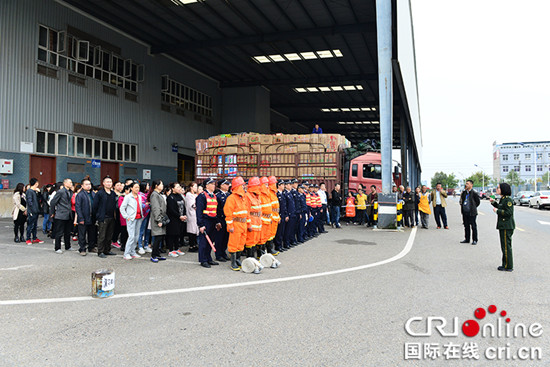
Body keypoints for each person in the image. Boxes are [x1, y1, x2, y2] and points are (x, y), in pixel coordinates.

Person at [224, 176, 248, 271]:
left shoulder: (243, 198)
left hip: (243, 223)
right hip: (236, 224)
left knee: (241, 243)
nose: (244, 187)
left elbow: (247, 211)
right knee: (234, 244)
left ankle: (237, 259)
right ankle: (233, 262)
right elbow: (228, 213)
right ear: (238, 186)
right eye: (242, 185)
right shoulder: (231, 198)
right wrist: (230, 225)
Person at [490, 183, 515, 272]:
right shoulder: (503, 199)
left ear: (503, 189)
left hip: (506, 226)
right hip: (504, 225)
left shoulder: (508, 200)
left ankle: (508, 266)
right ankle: (505, 264)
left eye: (498, 188)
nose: (497, 189)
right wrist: (493, 203)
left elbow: (508, 212)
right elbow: (501, 207)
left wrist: (497, 211)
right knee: (504, 246)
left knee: (506, 246)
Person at [196, 178, 219, 268]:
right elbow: (199, 212)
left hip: (213, 220)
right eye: (212, 184)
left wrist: (217, 222)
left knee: (211, 241)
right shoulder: (202, 196)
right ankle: (203, 260)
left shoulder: (214, 195)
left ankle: (209, 258)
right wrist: (201, 225)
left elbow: (215, 210)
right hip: (205, 221)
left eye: (214, 184)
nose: (214, 185)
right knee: (204, 242)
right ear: (206, 185)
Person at [93, 176, 117, 258]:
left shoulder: (113, 193)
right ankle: (100, 251)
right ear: (103, 183)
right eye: (107, 182)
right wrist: (98, 216)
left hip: (112, 217)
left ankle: (107, 250)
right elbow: (95, 206)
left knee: (109, 235)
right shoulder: (100, 193)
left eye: (110, 182)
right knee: (102, 236)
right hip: (103, 217)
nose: (109, 183)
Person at [120, 181, 144, 260]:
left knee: (136, 236)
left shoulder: (139, 196)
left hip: (139, 218)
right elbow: (122, 208)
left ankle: (133, 252)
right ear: (131, 188)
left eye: (138, 187)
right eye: (136, 187)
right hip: (131, 219)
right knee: (131, 236)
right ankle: (126, 253)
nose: (137, 189)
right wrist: (127, 216)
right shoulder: (128, 197)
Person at [49, 178, 74, 253]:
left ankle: (68, 246)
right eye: (70, 182)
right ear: (65, 183)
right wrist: (52, 212)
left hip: (69, 214)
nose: (71, 184)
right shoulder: (60, 192)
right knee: (59, 232)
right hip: (61, 214)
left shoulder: (70, 192)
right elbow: (53, 202)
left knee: (68, 232)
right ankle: (57, 247)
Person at [75, 178, 96, 256]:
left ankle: (91, 247)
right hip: (83, 217)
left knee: (92, 233)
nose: (88, 186)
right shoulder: (80, 195)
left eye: (89, 184)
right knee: (82, 234)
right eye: (86, 184)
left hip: (92, 217)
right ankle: (82, 249)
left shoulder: (93, 194)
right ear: (82, 186)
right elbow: (78, 207)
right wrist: (80, 218)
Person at [166, 182, 187, 258]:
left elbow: (183, 206)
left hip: (180, 219)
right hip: (173, 219)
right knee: (172, 234)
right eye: (177, 187)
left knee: (178, 234)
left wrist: (184, 215)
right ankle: (171, 250)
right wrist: (179, 216)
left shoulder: (180, 196)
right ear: (173, 189)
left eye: (179, 187)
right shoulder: (170, 197)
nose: (179, 188)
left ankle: (177, 248)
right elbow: (171, 210)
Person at [149, 180, 167, 263]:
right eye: (161, 184)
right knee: (157, 237)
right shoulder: (154, 195)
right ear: (156, 185)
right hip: (157, 219)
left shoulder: (158, 194)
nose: (162, 185)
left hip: (161, 218)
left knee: (160, 237)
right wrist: (159, 219)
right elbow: (156, 208)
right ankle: (153, 255)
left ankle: (157, 254)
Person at [244, 177, 263, 256]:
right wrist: (249, 224)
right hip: (252, 223)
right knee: (250, 241)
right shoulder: (248, 196)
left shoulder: (256, 196)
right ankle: (250, 258)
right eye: (258, 185)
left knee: (255, 240)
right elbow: (247, 212)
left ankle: (253, 258)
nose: (259, 187)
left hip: (257, 222)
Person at [214, 179, 231, 262]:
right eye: (226, 184)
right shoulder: (217, 195)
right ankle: (218, 254)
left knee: (226, 237)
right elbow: (216, 210)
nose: (228, 186)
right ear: (221, 185)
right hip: (221, 218)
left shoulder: (229, 194)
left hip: (228, 219)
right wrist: (217, 221)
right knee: (219, 238)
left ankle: (223, 252)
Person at [460, 180, 480, 245]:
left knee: (473, 226)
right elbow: (462, 201)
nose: (466, 185)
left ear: (471, 185)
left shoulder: (474, 193)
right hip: (465, 212)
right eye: (466, 184)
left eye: (468, 184)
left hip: (472, 212)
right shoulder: (464, 193)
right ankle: (467, 239)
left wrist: (473, 207)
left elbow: (477, 202)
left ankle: (475, 240)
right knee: (466, 226)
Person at [25, 178, 44, 244]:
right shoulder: (29, 191)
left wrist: (38, 193)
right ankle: (28, 238)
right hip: (32, 211)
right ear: (36, 183)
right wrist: (32, 210)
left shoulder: (34, 191)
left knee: (35, 225)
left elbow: (39, 199)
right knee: (30, 225)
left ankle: (34, 238)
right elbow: (29, 201)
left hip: (36, 211)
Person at [258, 176, 273, 256]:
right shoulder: (260, 195)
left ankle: (264, 252)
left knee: (266, 236)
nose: (267, 186)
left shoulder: (267, 195)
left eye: (268, 184)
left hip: (267, 218)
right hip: (262, 219)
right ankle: (260, 253)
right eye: (265, 184)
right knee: (261, 237)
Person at [267, 176, 280, 254]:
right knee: (269, 234)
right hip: (271, 217)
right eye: (274, 183)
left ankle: (271, 249)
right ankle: (269, 250)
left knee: (272, 234)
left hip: (275, 216)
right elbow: (268, 207)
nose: (275, 185)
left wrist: (278, 216)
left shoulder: (273, 193)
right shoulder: (269, 192)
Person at [137, 182, 152, 254]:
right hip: (142, 215)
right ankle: (140, 246)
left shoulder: (147, 194)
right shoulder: (140, 195)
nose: (148, 186)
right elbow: (142, 205)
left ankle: (146, 245)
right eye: (147, 185)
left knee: (147, 230)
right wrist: (148, 204)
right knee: (141, 231)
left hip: (148, 214)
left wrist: (148, 204)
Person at [185, 182, 199, 253]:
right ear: (191, 187)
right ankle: (191, 246)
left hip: (196, 214)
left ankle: (195, 244)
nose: (196, 188)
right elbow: (192, 204)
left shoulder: (196, 195)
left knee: (195, 230)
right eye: (195, 186)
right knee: (191, 230)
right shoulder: (188, 194)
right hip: (191, 214)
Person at [117, 184, 131, 252]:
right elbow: (121, 207)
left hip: (130, 217)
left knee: (129, 233)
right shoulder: (122, 197)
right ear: (125, 190)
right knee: (124, 232)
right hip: (124, 217)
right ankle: (123, 245)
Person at [274, 179, 287, 253]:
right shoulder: (277, 194)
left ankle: (280, 245)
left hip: (283, 215)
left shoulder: (283, 194)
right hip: (278, 215)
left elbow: (284, 206)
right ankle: (277, 246)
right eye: (282, 184)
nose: (283, 186)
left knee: (282, 231)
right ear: (278, 185)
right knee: (278, 232)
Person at [283, 180, 296, 249]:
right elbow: (285, 205)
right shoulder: (285, 193)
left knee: (291, 229)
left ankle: (289, 241)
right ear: (286, 185)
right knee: (287, 230)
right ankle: (286, 243)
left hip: (292, 213)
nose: (291, 186)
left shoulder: (289, 193)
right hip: (288, 213)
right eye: (289, 185)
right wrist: (287, 214)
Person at [111, 181, 124, 249]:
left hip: (120, 212)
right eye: (117, 185)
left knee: (119, 227)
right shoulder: (113, 194)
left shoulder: (122, 194)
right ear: (114, 186)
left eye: (120, 185)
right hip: (115, 212)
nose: (119, 186)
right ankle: (114, 241)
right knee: (116, 227)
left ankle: (115, 240)